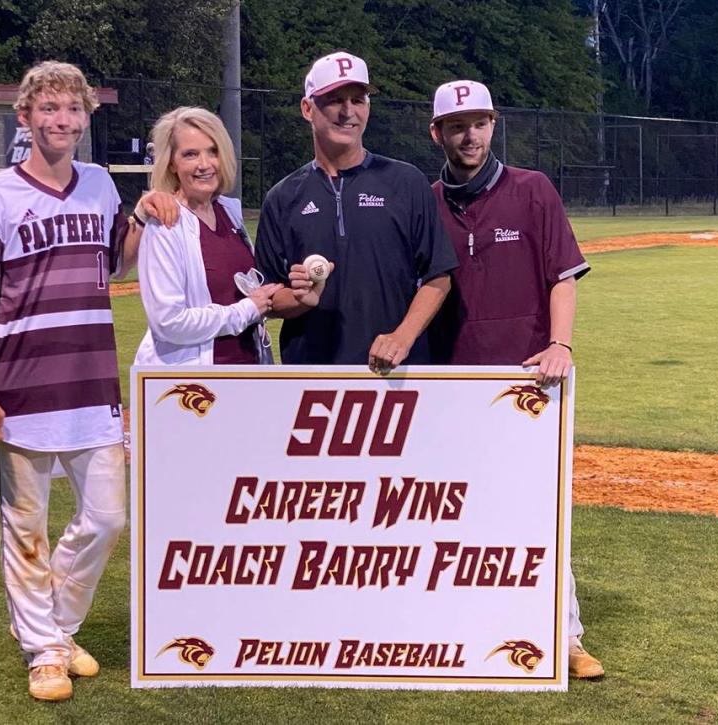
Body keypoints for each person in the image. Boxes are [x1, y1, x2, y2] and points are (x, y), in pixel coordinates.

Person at [0, 61, 176, 701]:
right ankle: (44, 650)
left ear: (85, 118)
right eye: (48, 109)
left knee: (107, 518)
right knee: (25, 528)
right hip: (18, 391)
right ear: (26, 117)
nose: (61, 120)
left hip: (92, 384)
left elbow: (115, 269)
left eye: (72, 109)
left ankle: (57, 627)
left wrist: (145, 220)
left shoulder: (99, 186)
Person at [428, 80, 602, 679]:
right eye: (456, 125)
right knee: (455, 511)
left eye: (478, 122)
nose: (469, 135)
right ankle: (471, 627)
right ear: (438, 134)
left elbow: (563, 275)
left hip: (531, 379)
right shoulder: (428, 201)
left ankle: (567, 636)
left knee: (540, 510)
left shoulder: (532, 190)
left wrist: (560, 343)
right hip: (453, 385)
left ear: (493, 124)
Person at [255, 51, 457, 370]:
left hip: (400, 372)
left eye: (358, 100)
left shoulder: (406, 182)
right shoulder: (283, 198)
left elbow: (439, 276)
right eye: (334, 100)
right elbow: (266, 298)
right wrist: (298, 297)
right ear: (308, 108)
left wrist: (402, 338)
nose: (348, 111)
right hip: (314, 376)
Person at [134, 107, 281, 366]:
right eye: (190, 154)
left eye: (212, 151)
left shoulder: (230, 211)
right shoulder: (166, 222)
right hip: (193, 389)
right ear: (171, 163)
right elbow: (169, 322)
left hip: (247, 374)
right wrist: (247, 310)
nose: (204, 164)